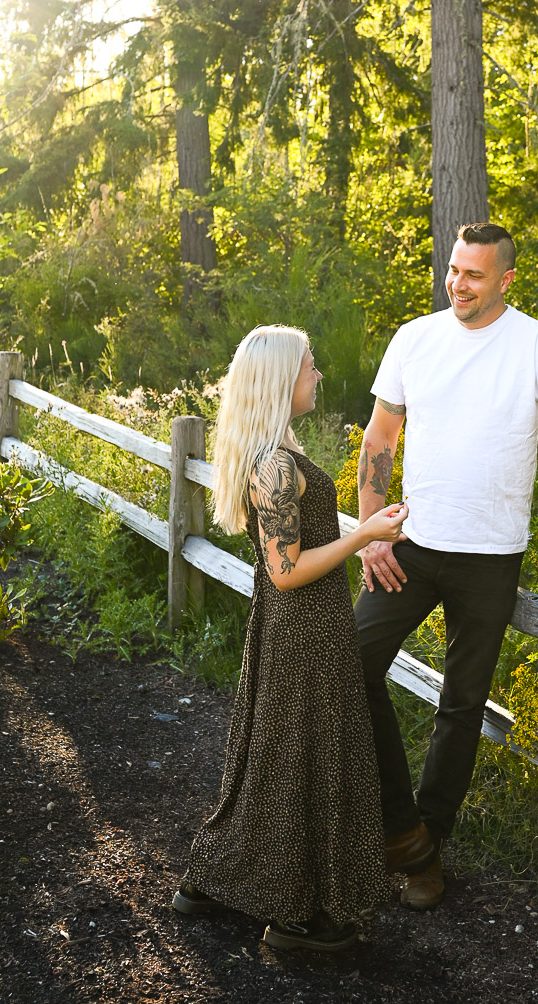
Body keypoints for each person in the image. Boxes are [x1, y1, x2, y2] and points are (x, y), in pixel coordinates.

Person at [354, 222, 538, 910]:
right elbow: (380, 436)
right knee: (347, 664)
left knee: (461, 707)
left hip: (490, 558)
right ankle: (399, 830)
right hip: (409, 547)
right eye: (453, 270)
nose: (458, 284)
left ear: (505, 279)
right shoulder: (415, 338)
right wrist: (372, 530)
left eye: (473, 274)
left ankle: (426, 849)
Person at [172, 324, 407, 952]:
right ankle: (299, 913)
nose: (319, 375)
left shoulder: (278, 451)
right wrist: (364, 536)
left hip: (309, 624)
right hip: (302, 628)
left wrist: (364, 530)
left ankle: (222, 878)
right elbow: (286, 570)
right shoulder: (274, 466)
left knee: (284, 755)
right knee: (301, 759)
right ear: (280, 379)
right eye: (310, 366)